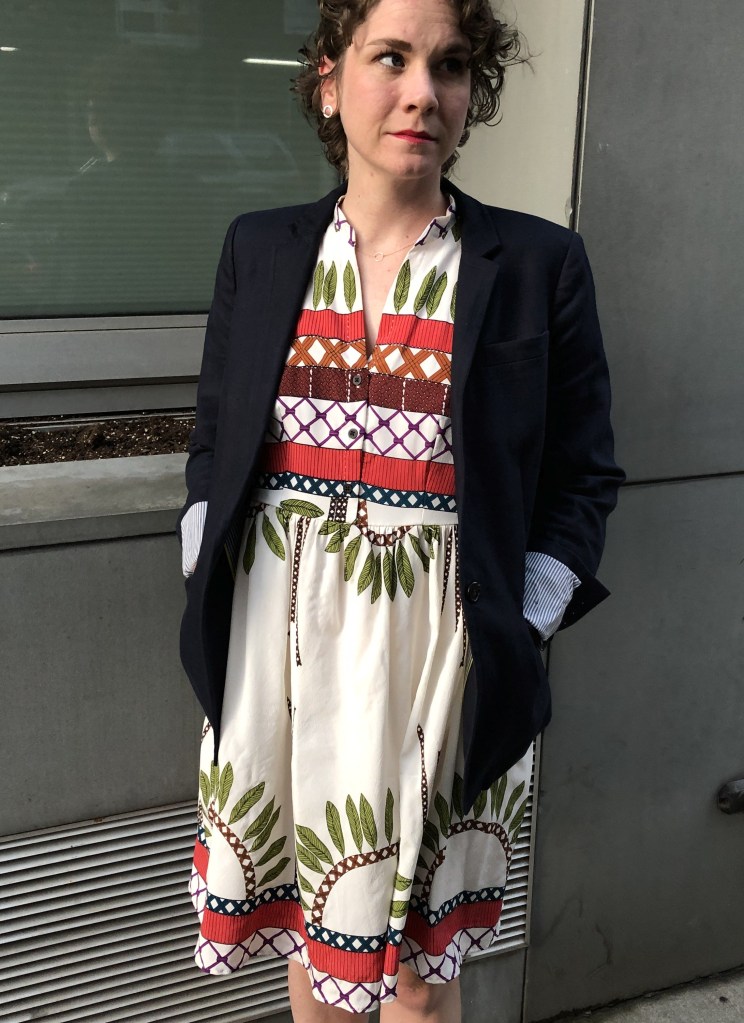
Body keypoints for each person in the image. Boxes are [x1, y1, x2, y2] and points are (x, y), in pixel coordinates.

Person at [178, 0, 625, 1018]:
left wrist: (522, 618)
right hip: (280, 663)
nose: (423, 91)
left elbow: (583, 474)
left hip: (444, 672)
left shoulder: (537, 264)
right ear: (330, 81)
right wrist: (207, 557)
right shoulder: (261, 248)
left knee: (420, 984)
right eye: (391, 58)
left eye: (450, 65)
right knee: (313, 952)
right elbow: (214, 439)